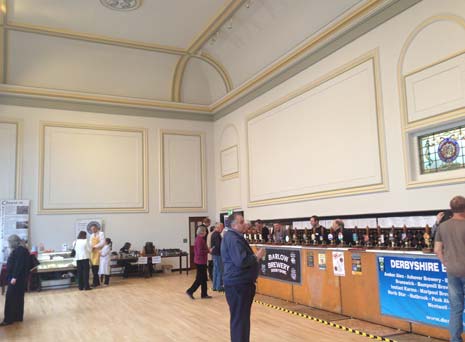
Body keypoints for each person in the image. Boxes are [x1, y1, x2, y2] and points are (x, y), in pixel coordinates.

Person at [221, 213, 265, 342]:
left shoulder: (233, 236)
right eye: (241, 222)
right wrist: (257, 256)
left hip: (239, 282)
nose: (244, 223)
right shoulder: (233, 239)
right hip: (238, 284)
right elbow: (241, 261)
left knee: (241, 319)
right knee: (240, 319)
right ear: (234, 225)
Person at [434, 196, 465, 342]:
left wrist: (445, 263)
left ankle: (455, 339)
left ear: (451, 209)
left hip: (452, 271)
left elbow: (437, 249)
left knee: (456, 308)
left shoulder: (443, 226)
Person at [1, 235, 30, 326]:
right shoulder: (21, 249)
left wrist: (14, 277)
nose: (9, 244)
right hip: (19, 279)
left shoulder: (20, 250)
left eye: (10, 242)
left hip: (16, 279)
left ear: (14, 242)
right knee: (18, 297)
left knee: (10, 298)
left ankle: (8, 319)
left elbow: (19, 265)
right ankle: (17, 316)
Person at [186, 226, 211, 299]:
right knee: (200, 279)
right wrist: (209, 251)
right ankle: (190, 291)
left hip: (200, 261)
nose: (206, 233)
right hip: (200, 261)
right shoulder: (200, 240)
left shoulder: (198, 239)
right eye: (205, 231)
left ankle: (204, 294)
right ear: (202, 232)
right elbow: (200, 252)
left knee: (204, 279)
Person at [211, 222, 224, 291]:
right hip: (218, 254)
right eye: (222, 228)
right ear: (218, 227)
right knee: (219, 271)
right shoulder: (217, 235)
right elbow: (219, 245)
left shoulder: (214, 234)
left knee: (215, 270)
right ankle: (219, 286)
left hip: (215, 254)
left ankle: (214, 286)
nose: (223, 229)